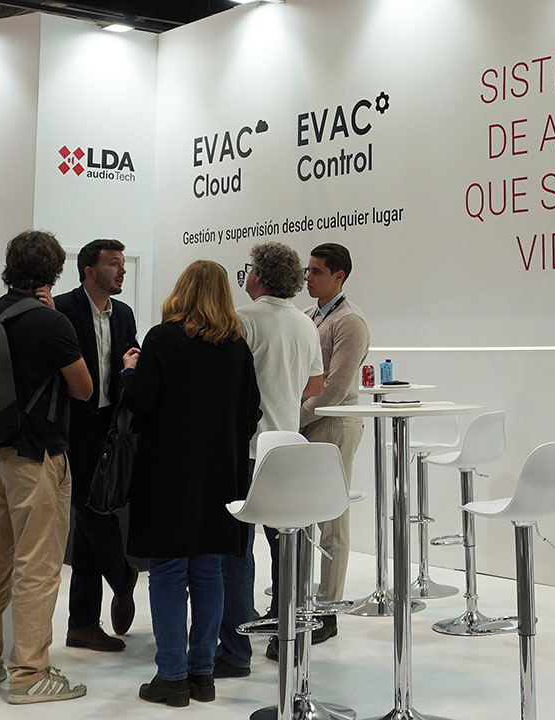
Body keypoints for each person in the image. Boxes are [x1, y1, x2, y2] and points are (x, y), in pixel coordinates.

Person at [119, 260, 261, 707]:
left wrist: (128, 371)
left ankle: (172, 675)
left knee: (167, 570)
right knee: (207, 569)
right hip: (220, 475)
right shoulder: (236, 346)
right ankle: (202, 673)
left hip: (167, 474)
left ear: (182, 289)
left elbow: (140, 400)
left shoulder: (162, 339)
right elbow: (252, 412)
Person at [0, 230, 95, 705]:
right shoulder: (49, 321)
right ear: (54, 271)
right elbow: (83, 389)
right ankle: (28, 675)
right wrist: (59, 322)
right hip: (37, 458)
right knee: (37, 568)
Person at [216, 242, 323, 678]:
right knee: (286, 548)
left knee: (236, 550)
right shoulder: (305, 323)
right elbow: (314, 384)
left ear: (258, 275)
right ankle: (286, 638)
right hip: (288, 447)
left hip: (246, 448)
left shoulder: (243, 319)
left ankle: (235, 651)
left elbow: (227, 383)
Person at [52, 239, 140, 653]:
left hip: (110, 428)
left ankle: (82, 624)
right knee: (91, 512)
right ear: (89, 271)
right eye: (113, 264)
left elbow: (130, 362)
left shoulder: (123, 314)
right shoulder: (63, 309)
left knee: (91, 520)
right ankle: (123, 577)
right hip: (71, 428)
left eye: (122, 263)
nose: (121, 271)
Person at [297, 242, 369, 642]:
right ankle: (302, 601)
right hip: (309, 424)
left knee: (332, 522)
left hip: (334, 426)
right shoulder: (310, 317)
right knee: (303, 516)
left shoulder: (349, 321)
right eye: (307, 270)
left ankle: (328, 609)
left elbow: (335, 387)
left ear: (339, 276)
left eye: (317, 271)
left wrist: (297, 417)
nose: (308, 278)